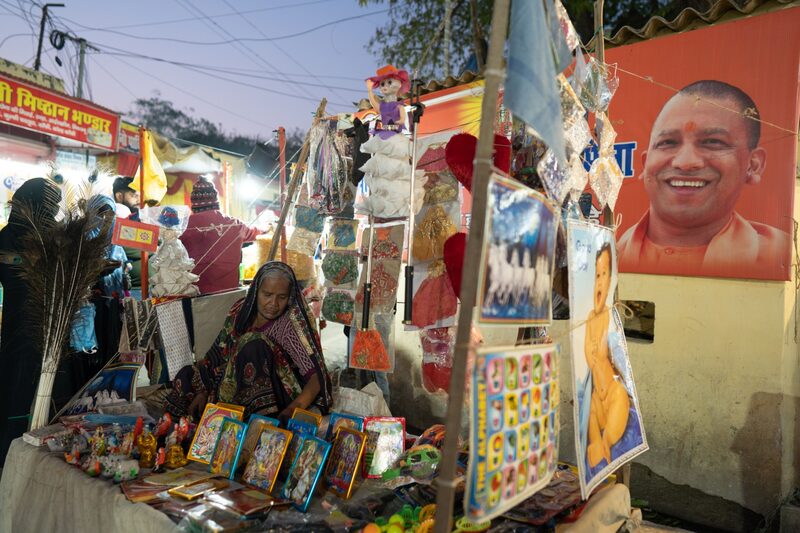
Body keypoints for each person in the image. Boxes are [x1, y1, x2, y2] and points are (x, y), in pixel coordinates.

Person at [618, 80, 789, 278]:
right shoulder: (609, 253)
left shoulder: (780, 255)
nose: (685, 162)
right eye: (668, 142)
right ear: (645, 163)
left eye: (713, 142)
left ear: (753, 165)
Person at [164, 261, 333, 421]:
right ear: (255, 290)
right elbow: (218, 354)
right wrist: (203, 390)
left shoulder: (290, 324)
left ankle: (257, 420)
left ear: (289, 297)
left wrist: (294, 408)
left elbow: (317, 377)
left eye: (282, 297)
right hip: (232, 378)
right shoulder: (241, 311)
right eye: (267, 294)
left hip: (274, 395)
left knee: (253, 344)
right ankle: (192, 422)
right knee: (188, 374)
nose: (273, 303)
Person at [0, 178, 62, 466]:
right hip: (28, 328)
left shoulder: (52, 237)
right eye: (51, 206)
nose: (54, 212)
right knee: (21, 384)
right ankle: (14, 451)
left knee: (27, 385)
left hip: (45, 328)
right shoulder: (51, 239)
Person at [583, 244, 629, 468]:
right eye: (597, 275)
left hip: (612, 394)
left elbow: (619, 362)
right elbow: (588, 359)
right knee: (589, 408)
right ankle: (598, 445)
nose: (600, 282)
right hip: (596, 399)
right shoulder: (590, 317)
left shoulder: (612, 318)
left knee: (604, 445)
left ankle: (604, 444)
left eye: (604, 275)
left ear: (611, 280)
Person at [179, 176, 262, 295]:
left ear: (193, 202)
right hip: (228, 295)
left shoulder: (182, 227)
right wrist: (268, 228)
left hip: (193, 295)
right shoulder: (235, 224)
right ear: (216, 200)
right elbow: (256, 232)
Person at [112, 176, 142, 295]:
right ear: (119, 196)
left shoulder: (139, 219)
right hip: (131, 290)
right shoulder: (116, 219)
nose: (139, 199)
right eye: (134, 195)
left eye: (140, 195)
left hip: (149, 288)